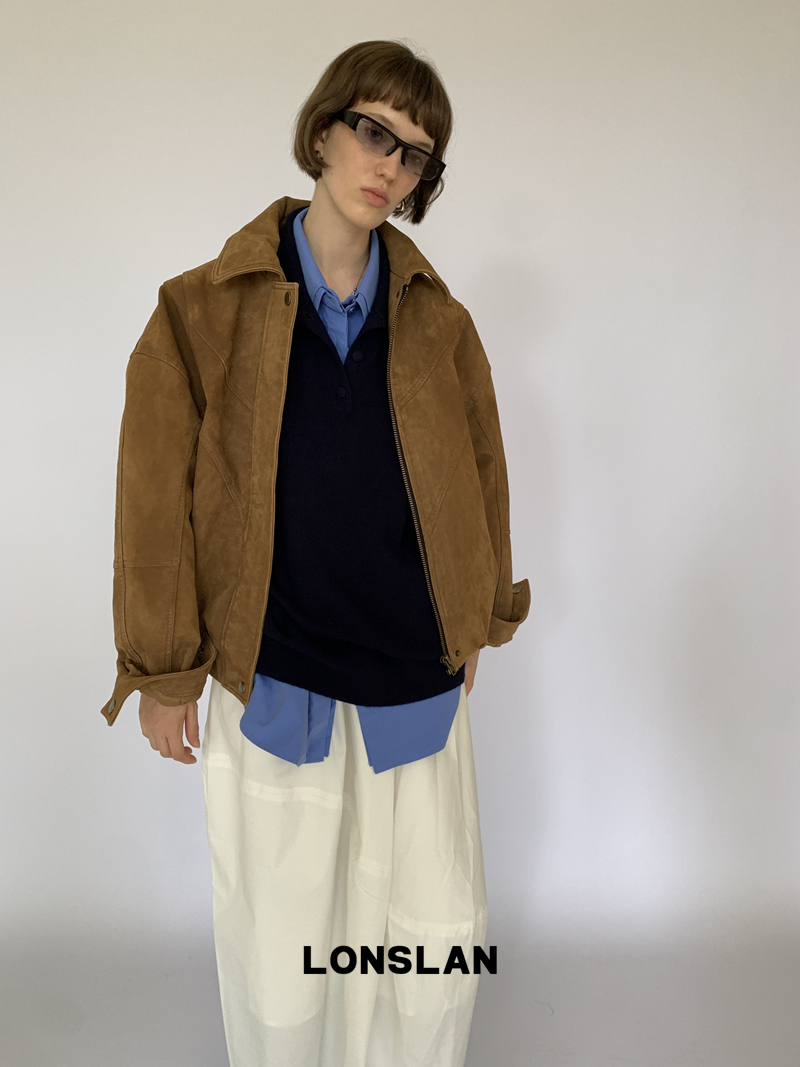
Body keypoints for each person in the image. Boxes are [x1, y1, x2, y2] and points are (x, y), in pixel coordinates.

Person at [100, 38, 530, 1067]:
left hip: (412, 676)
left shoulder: (440, 323)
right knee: (281, 949)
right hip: (278, 675)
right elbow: (153, 502)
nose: (389, 164)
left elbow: (481, 474)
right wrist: (162, 670)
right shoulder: (198, 310)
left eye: (415, 153)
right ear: (324, 130)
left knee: (429, 942)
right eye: (373, 132)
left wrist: (474, 615)